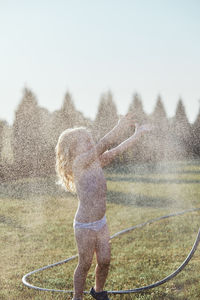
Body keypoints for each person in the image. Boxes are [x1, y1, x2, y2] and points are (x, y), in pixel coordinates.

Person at [55, 114, 151, 300]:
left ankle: (98, 291)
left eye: (90, 139)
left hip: (101, 222)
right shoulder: (79, 164)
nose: (91, 142)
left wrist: (136, 135)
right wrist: (119, 126)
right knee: (84, 263)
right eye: (85, 142)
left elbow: (116, 149)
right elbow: (104, 144)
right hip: (84, 225)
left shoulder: (97, 162)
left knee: (105, 261)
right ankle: (77, 297)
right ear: (73, 150)